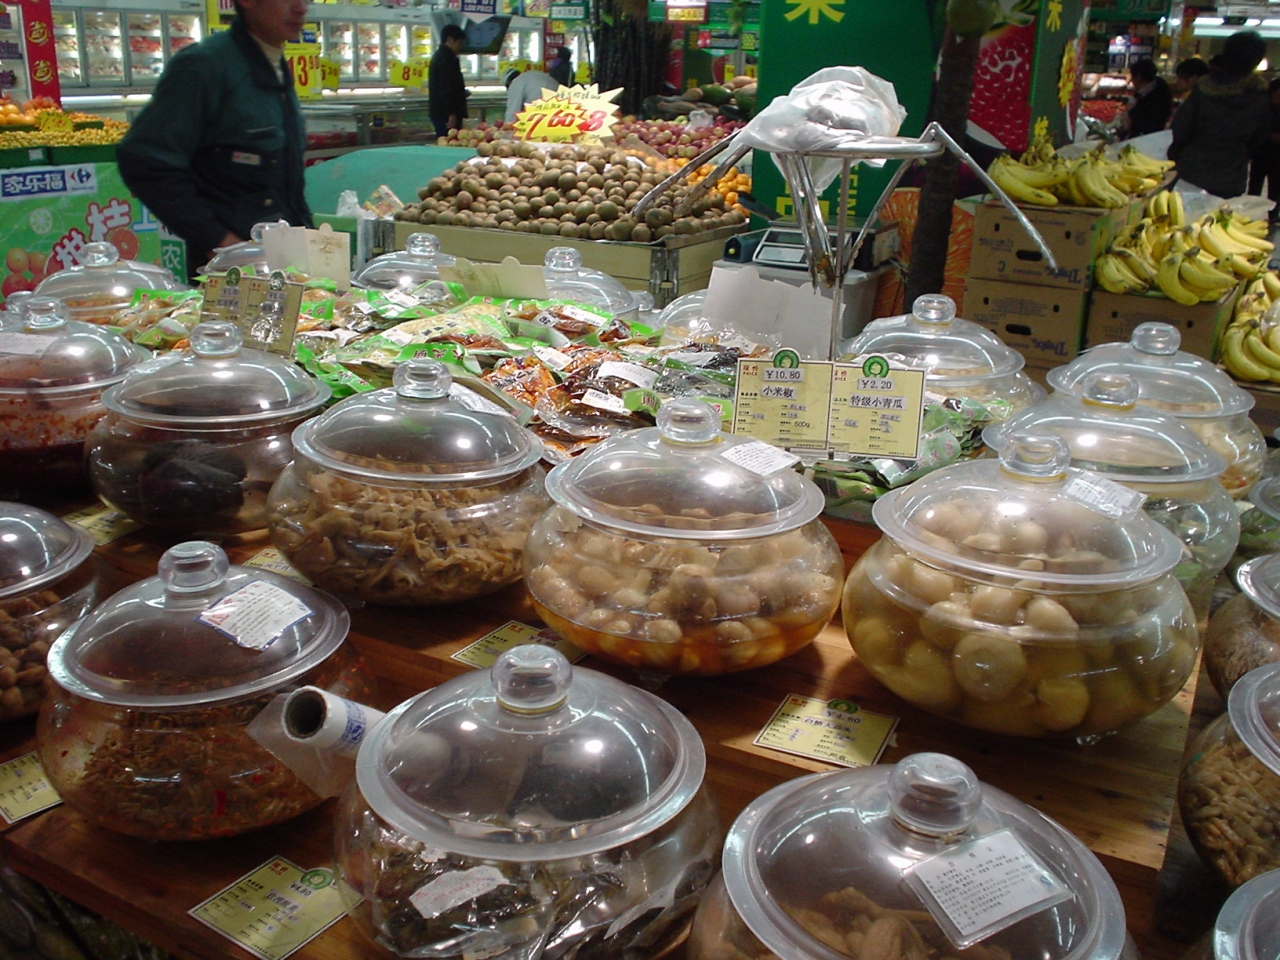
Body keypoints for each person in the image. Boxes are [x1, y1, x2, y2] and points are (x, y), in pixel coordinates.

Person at [115, 0, 312, 272]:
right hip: (232, 276)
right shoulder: (204, 65)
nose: (300, 8)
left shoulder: (273, 65)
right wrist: (221, 244)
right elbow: (145, 161)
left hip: (283, 261)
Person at [1168, 30, 1270, 199]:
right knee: (1221, 216)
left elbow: (1180, 130)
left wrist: (1175, 156)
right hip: (1231, 177)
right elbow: (1260, 136)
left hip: (1192, 172)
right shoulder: (1259, 96)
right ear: (1257, 60)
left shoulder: (1203, 90)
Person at [429, 24, 467, 140]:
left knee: (445, 141)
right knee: (449, 141)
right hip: (445, 114)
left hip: (439, 111)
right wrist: (452, 113)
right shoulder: (447, 59)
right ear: (450, 40)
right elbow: (446, 88)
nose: (459, 47)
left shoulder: (440, 56)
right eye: (459, 43)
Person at [1248, 78, 1280, 219]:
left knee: (1275, 188)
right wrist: (1269, 135)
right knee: (1254, 186)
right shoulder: (1262, 109)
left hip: (1277, 156)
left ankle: (1272, 215)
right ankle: (1249, 213)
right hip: (1260, 153)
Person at [1123, 59, 1173, 137]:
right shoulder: (1155, 87)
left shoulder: (1157, 98)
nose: (1131, 80)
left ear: (1138, 77)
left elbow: (1146, 122)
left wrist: (1130, 116)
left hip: (1146, 137)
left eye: (1132, 76)